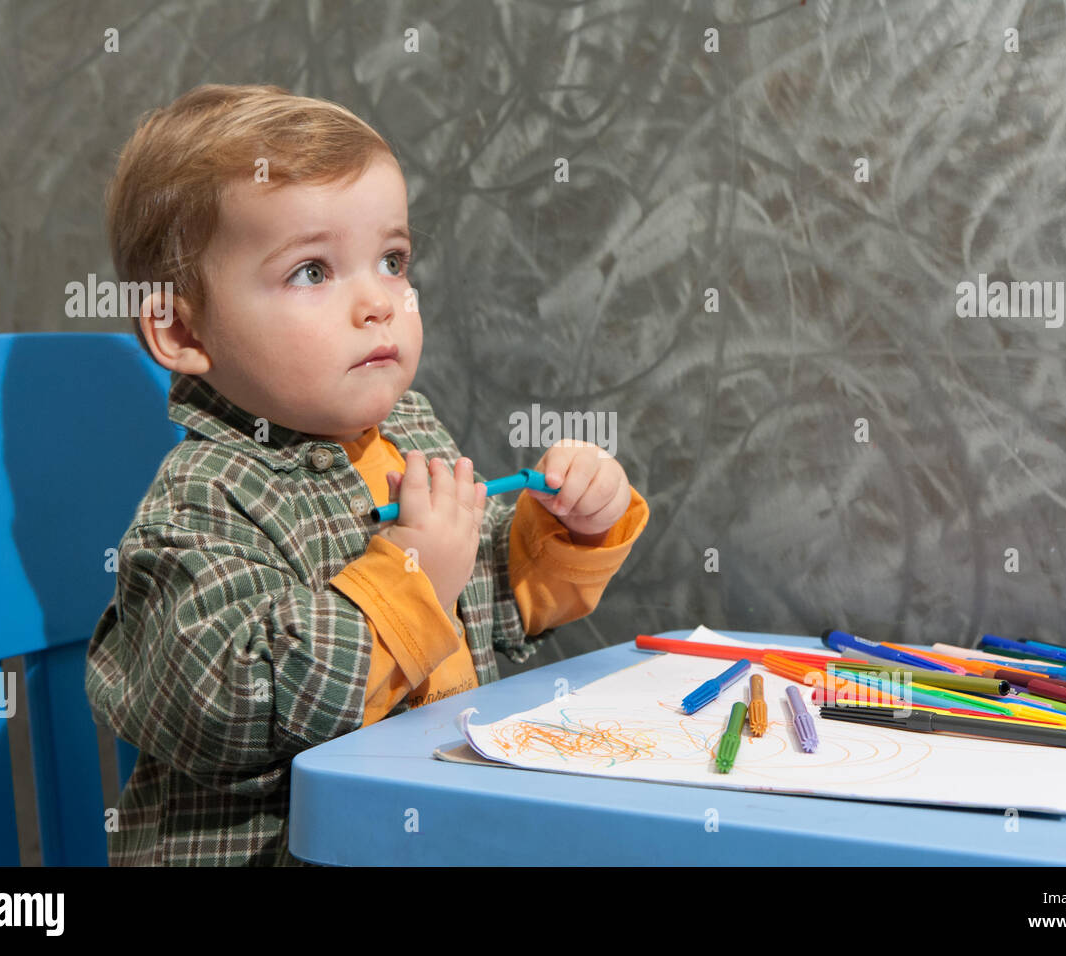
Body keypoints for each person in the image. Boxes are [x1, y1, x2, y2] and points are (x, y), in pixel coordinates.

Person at [86, 84, 649, 865]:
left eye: (392, 261)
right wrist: (410, 580)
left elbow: (481, 604)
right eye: (313, 271)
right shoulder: (202, 501)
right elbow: (221, 706)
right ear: (182, 328)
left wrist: (564, 528)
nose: (378, 303)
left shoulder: (408, 429)